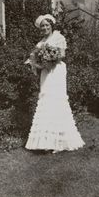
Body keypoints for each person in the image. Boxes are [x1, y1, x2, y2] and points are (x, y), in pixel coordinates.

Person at [25, 14, 85, 153]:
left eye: (47, 25)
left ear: (51, 26)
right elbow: (33, 60)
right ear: (40, 29)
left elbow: (62, 54)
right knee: (47, 101)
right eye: (42, 26)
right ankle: (47, 141)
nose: (45, 28)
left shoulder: (58, 37)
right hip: (46, 73)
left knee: (57, 100)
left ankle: (60, 141)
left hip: (57, 70)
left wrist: (51, 57)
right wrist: (40, 64)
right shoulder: (39, 44)